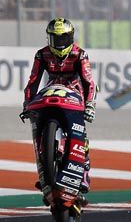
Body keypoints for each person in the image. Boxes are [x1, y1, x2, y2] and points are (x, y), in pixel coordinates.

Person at [23, 17, 96, 198]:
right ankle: (46, 171)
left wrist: (90, 105)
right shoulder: (42, 54)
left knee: (80, 131)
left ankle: (84, 171)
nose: (60, 43)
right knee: (38, 125)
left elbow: (89, 83)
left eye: (63, 38)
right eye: (56, 38)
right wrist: (27, 103)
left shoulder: (80, 54)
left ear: (70, 37)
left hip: (74, 94)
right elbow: (33, 82)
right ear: (49, 38)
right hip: (50, 92)